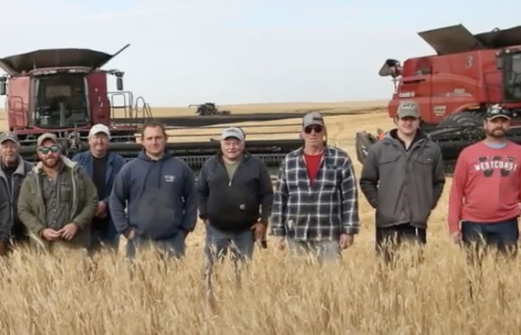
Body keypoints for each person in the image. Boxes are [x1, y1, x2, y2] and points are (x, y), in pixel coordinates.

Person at [447, 105, 521, 263]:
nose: (499, 125)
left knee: (505, 275)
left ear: (509, 125)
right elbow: (456, 192)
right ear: (485, 124)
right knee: (475, 276)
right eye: (495, 121)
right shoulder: (468, 154)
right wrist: (454, 225)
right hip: (473, 223)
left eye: (503, 121)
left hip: (506, 222)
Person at [359, 100, 445, 264]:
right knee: (387, 273)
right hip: (387, 223)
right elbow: (367, 181)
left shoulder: (431, 149)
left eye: (412, 119)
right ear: (396, 120)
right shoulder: (379, 149)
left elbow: (438, 182)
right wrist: (381, 204)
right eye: (404, 118)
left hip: (416, 222)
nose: (408, 122)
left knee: (415, 272)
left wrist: (427, 204)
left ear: (419, 120)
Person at [269, 112, 359, 263]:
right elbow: (280, 198)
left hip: (329, 234)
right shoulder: (289, 161)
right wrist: (278, 233)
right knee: (300, 283)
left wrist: (349, 230)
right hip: (297, 234)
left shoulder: (340, 159)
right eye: (308, 129)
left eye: (317, 129)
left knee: (332, 282)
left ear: (323, 132)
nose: (313, 133)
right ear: (301, 133)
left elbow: (349, 197)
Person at [108, 121, 198, 260]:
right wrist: (126, 231)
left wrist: (185, 229)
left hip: (173, 241)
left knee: (174, 281)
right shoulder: (129, 169)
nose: (154, 142)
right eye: (149, 138)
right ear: (142, 141)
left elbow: (192, 199)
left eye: (158, 138)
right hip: (139, 242)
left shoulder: (181, 168)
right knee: (138, 282)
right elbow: (115, 200)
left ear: (165, 139)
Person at [197, 127, 273, 281]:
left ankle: (239, 303)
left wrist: (263, 222)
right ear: (221, 145)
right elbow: (200, 192)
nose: (232, 147)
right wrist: (205, 216)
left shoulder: (256, 165)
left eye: (236, 143)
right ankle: (209, 304)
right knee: (210, 274)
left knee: (241, 275)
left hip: (245, 231)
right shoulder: (210, 165)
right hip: (216, 230)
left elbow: (267, 195)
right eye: (227, 143)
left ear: (243, 145)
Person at [16, 133, 98, 254]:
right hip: (43, 249)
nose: (49, 153)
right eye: (44, 150)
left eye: (53, 149)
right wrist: (41, 230)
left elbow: (92, 201)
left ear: (59, 150)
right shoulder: (31, 180)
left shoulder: (77, 174)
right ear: (38, 154)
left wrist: (76, 224)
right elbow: (23, 210)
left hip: (74, 246)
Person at [71, 124, 127, 253]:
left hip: (110, 217)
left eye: (103, 137)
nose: (99, 141)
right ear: (89, 140)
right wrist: (91, 207)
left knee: (110, 255)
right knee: (85, 257)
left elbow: (120, 189)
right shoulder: (77, 161)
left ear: (108, 141)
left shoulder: (119, 162)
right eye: (96, 137)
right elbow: (73, 188)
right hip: (84, 217)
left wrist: (104, 204)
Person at [0, 132, 34, 248]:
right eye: (5, 147)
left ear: (19, 148)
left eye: (13, 146)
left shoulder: (32, 171)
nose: (9, 150)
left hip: (25, 233)